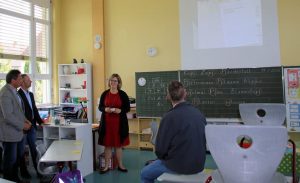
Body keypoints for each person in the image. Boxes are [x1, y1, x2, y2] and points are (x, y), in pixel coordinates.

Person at [140, 80, 207, 183]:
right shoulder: (199, 113)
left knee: (145, 174)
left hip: (178, 166)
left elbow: (160, 151)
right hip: (198, 165)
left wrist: (161, 159)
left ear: (168, 96)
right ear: (185, 94)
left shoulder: (168, 117)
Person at [0, 69, 31, 181]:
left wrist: (26, 120)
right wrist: (23, 125)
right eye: (20, 78)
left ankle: (15, 178)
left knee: (16, 159)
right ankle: (8, 180)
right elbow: (8, 116)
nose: (22, 80)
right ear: (13, 80)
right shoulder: (5, 93)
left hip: (17, 132)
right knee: (10, 160)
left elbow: (18, 111)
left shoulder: (14, 91)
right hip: (9, 133)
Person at [98, 73, 130, 174]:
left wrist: (120, 111)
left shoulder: (123, 94)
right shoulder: (104, 94)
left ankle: (120, 165)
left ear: (118, 82)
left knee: (118, 146)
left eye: (115, 81)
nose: (113, 82)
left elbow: (127, 108)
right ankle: (106, 166)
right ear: (109, 82)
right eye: (111, 80)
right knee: (107, 146)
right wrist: (105, 109)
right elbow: (100, 107)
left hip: (119, 125)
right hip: (107, 125)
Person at [18, 74, 44, 178]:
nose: (31, 81)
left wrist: (41, 122)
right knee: (21, 151)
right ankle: (24, 173)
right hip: (23, 128)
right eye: (28, 80)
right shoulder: (18, 95)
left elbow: (34, 109)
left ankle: (39, 171)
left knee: (34, 150)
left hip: (32, 126)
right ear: (22, 82)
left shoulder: (31, 94)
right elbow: (18, 113)